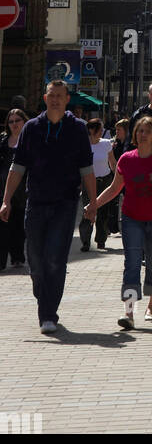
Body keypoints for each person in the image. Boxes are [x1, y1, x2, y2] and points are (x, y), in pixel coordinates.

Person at [0, 80, 96, 333]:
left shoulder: (77, 129)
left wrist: (93, 202)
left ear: (67, 99)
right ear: (45, 98)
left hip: (65, 203)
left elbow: (87, 170)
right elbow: (17, 167)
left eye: (59, 96)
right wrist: (6, 199)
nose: (55, 100)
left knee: (54, 259)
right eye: (51, 95)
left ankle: (48, 313)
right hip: (37, 202)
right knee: (35, 259)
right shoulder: (32, 128)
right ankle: (42, 291)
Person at [95, 114, 152, 327]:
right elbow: (115, 188)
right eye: (140, 131)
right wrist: (93, 204)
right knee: (131, 263)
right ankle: (129, 312)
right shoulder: (126, 159)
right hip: (132, 218)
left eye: (147, 132)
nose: (142, 135)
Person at [79, 119, 116, 251]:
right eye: (99, 129)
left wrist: (117, 177)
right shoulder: (84, 145)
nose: (102, 131)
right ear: (91, 130)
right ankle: (85, 241)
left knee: (103, 212)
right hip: (88, 181)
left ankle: (101, 239)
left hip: (104, 180)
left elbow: (112, 162)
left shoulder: (106, 144)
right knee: (87, 209)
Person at [0, 109, 28, 270]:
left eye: (17, 120)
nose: (14, 124)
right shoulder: (3, 141)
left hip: (23, 189)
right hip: (3, 186)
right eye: (11, 121)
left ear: (24, 121)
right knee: (2, 226)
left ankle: (17, 257)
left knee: (18, 225)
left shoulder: (29, 141)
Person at [107, 119, 129, 234]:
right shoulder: (114, 143)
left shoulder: (130, 145)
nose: (117, 132)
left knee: (126, 201)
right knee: (112, 201)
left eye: (119, 130)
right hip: (114, 176)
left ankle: (123, 225)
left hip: (127, 178)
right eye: (116, 129)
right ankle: (112, 226)